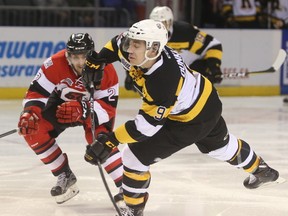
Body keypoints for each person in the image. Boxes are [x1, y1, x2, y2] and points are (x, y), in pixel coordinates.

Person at [83, 19, 281, 216]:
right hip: (207, 100)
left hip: (189, 121)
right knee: (222, 147)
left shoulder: (163, 81)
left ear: (153, 49)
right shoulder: (137, 49)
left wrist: (110, 141)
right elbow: (116, 44)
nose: (129, 49)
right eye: (130, 42)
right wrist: (98, 60)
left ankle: (133, 209)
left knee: (133, 156)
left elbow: (146, 127)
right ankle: (261, 170)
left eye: (136, 45)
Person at [17, 33, 123, 204]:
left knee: (101, 141)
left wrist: (83, 110)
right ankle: (64, 175)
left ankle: (125, 187)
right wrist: (30, 112)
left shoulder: (107, 70)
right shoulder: (54, 64)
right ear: (68, 55)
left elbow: (108, 109)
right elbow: (36, 92)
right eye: (75, 57)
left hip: (90, 109)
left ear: (91, 53)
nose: (80, 62)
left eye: (84, 56)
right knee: (33, 130)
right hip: (60, 107)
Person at [124, 6, 223, 92]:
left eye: (163, 23)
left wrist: (214, 66)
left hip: (191, 73)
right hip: (170, 76)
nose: (159, 27)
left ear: (170, 22)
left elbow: (213, 45)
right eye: (155, 23)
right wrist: (130, 75)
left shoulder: (185, 32)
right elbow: (133, 53)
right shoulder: (144, 35)